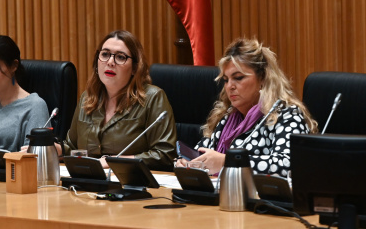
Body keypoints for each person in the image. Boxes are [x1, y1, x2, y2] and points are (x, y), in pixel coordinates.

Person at [176, 38, 317, 177]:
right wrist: (187, 162)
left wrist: (228, 162)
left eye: (238, 78)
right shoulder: (227, 117)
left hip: (264, 199)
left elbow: (289, 164)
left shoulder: (286, 115)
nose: (229, 86)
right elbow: (201, 153)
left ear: (262, 78)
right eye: (226, 80)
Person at [64, 30, 177, 171]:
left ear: (135, 67)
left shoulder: (153, 98)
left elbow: (165, 154)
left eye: (120, 57)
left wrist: (115, 161)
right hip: (89, 182)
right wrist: (54, 149)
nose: (110, 62)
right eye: (105, 54)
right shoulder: (87, 99)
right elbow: (72, 147)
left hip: (132, 184)